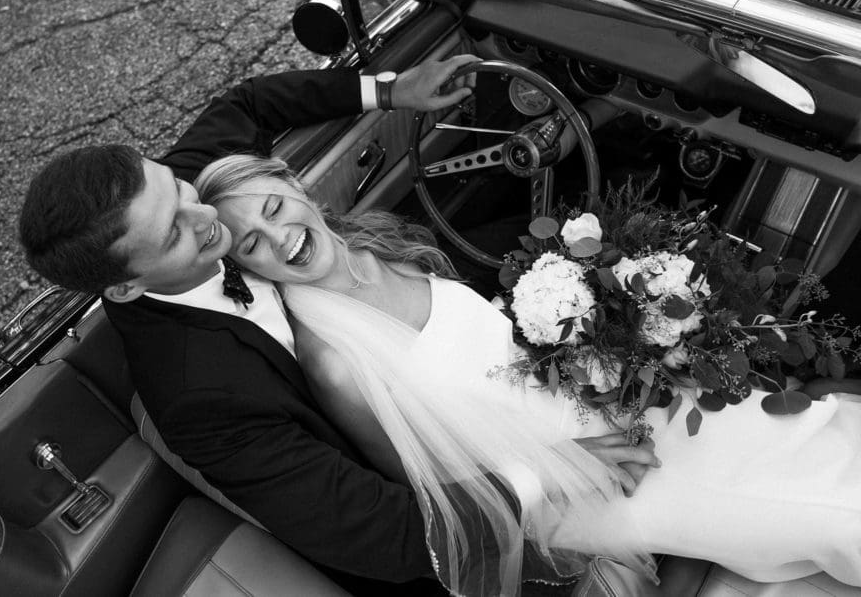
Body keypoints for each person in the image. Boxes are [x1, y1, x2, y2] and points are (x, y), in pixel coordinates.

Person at [19, 56, 650, 595]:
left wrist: (390, 89)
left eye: (176, 186)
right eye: (175, 233)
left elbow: (248, 101)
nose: (202, 211)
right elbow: (380, 534)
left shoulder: (171, 192)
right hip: (443, 484)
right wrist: (550, 471)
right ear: (125, 286)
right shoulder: (198, 398)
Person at [195, 152, 861, 596]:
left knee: (775, 435)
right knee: (784, 507)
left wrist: (600, 341)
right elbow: (431, 497)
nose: (278, 236)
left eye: (272, 207)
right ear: (247, 266)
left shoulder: (377, 239)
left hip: (595, 396)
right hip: (561, 487)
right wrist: (563, 461)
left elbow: (499, 340)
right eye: (251, 241)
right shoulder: (335, 362)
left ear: (293, 182)